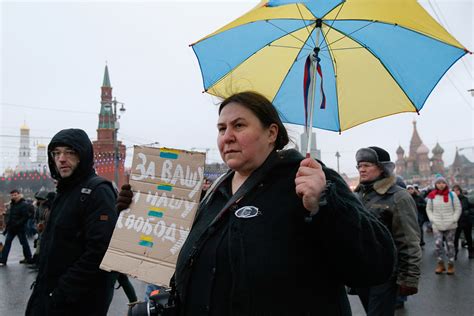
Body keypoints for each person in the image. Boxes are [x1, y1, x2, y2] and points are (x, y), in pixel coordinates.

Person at [118, 91, 396, 315]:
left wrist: (326, 204)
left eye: (239, 125)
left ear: (271, 133)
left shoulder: (311, 179)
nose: (227, 136)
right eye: (221, 128)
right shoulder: (216, 190)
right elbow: (174, 251)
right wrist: (138, 210)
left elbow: (377, 264)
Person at [25, 128, 118, 316]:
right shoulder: (65, 191)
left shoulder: (97, 191)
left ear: (83, 155)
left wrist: (60, 293)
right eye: (56, 153)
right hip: (50, 296)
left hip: (75, 303)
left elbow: (99, 252)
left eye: (70, 152)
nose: (61, 159)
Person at [353, 146, 421, 315]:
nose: (362, 169)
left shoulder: (399, 197)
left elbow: (409, 240)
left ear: (382, 167)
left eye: (367, 165)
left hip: (385, 273)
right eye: (359, 165)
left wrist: (409, 278)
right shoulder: (357, 195)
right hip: (362, 271)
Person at [426, 175, 461, 275]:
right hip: (437, 224)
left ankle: (451, 264)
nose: (441, 185)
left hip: (450, 224)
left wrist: (454, 219)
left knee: (450, 245)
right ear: (435, 184)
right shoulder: (432, 195)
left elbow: (458, 208)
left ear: (446, 184)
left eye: (443, 183)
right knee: (438, 244)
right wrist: (432, 219)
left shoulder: (452, 194)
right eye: (438, 183)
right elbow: (428, 209)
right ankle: (440, 264)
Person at [0, 189, 34, 266]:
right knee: (7, 243)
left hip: (19, 227)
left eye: (15, 195)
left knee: (24, 243)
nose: (13, 196)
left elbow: (25, 216)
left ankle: (28, 258)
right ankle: (3, 260)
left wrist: (18, 223)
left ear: (19, 194)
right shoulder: (12, 204)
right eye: (12, 195)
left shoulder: (23, 204)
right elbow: (11, 215)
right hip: (12, 227)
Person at [452, 184, 473, 259]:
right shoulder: (451, 200)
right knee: (455, 238)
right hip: (456, 222)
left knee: (468, 237)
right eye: (454, 190)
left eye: (457, 190)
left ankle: (471, 252)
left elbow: (471, 207)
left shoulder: (465, 199)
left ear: (460, 191)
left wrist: (468, 212)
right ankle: (455, 252)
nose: (455, 192)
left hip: (466, 221)